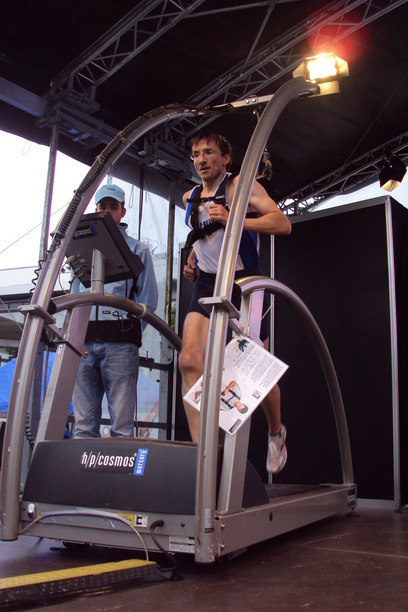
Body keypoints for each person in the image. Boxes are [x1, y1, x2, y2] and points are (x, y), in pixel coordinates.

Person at [178, 132, 291, 473]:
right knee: (188, 360)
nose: (201, 159)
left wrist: (234, 218)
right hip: (209, 283)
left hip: (244, 282)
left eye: (208, 152)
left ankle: (276, 433)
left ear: (225, 158)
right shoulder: (190, 197)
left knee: (254, 373)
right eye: (196, 154)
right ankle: (202, 458)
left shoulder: (239, 186)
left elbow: (282, 223)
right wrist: (192, 258)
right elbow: (204, 236)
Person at [71, 184, 158, 438]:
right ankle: (82, 466)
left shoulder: (138, 250)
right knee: (83, 426)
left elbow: (148, 301)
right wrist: (75, 335)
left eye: (113, 207)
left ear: (122, 211)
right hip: (84, 343)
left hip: (120, 345)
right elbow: (75, 298)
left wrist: (127, 331)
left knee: (121, 427)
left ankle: (120, 466)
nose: (107, 211)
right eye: (103, 206)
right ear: (96, 209)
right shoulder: (82, 249)